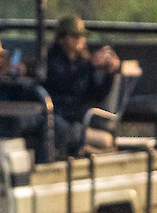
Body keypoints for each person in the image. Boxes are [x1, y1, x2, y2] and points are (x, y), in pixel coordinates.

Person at [43, 15, 120, 156]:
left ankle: (83, 150)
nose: (79, 40)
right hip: (56, 116)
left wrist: (110, 74)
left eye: (81, 36)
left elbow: (97, 95)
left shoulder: (83, 62)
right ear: (62, 38)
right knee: (65, 131)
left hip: (77, 120)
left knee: (102, 140)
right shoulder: (51, 59)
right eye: (74, 36)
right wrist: (90, 65)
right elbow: (62, 83)